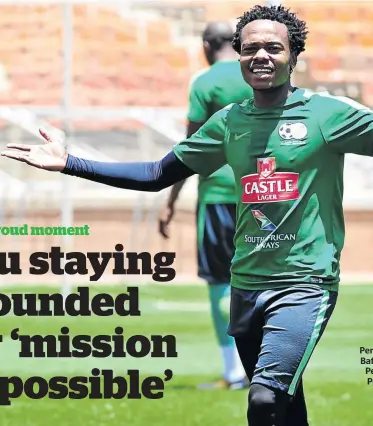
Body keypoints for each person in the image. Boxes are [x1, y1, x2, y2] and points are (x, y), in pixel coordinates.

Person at [1, 5, 373, 425]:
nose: (260, 56)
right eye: (250, 49)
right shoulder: (229, 121)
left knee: (263, 400)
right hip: (246, 284)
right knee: (286, 408)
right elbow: (156, 174)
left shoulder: (328, 114)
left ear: (294, 56)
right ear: (238, 56)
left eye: (273, 47)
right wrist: (70, 163)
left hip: (304, 284)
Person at [158, 20, 253, 391]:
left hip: (217, 197)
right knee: (263, 282)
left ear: (205, 45)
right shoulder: (260, 76)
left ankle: (232, 372)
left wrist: (171, 200)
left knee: (220, 285)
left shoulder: (205, 82)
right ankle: (264, 368)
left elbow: (189, 151)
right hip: (263, 195)